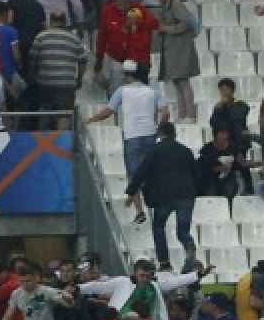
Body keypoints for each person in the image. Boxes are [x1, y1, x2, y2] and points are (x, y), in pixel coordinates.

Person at [126, 121, 199, 270]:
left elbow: (141, 172)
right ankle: (188, 243)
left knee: (159, 226)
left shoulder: (154, 151)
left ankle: (165, 263)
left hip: (164, 196)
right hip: (186, 195)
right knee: (183, 231)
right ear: (174, 134)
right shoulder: (186, 151)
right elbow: (196, 174)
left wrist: (131, 191)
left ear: (160, 133)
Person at [85, 60, 169, 179]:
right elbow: (166, 112)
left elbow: (108, 112)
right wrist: (160, 129)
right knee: (149, 174)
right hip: (150, 134)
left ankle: (136, 198)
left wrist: (90, 119)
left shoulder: (122, 91)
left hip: (131, 136)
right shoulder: (152, 92)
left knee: (133, 176)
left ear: (129, 75)